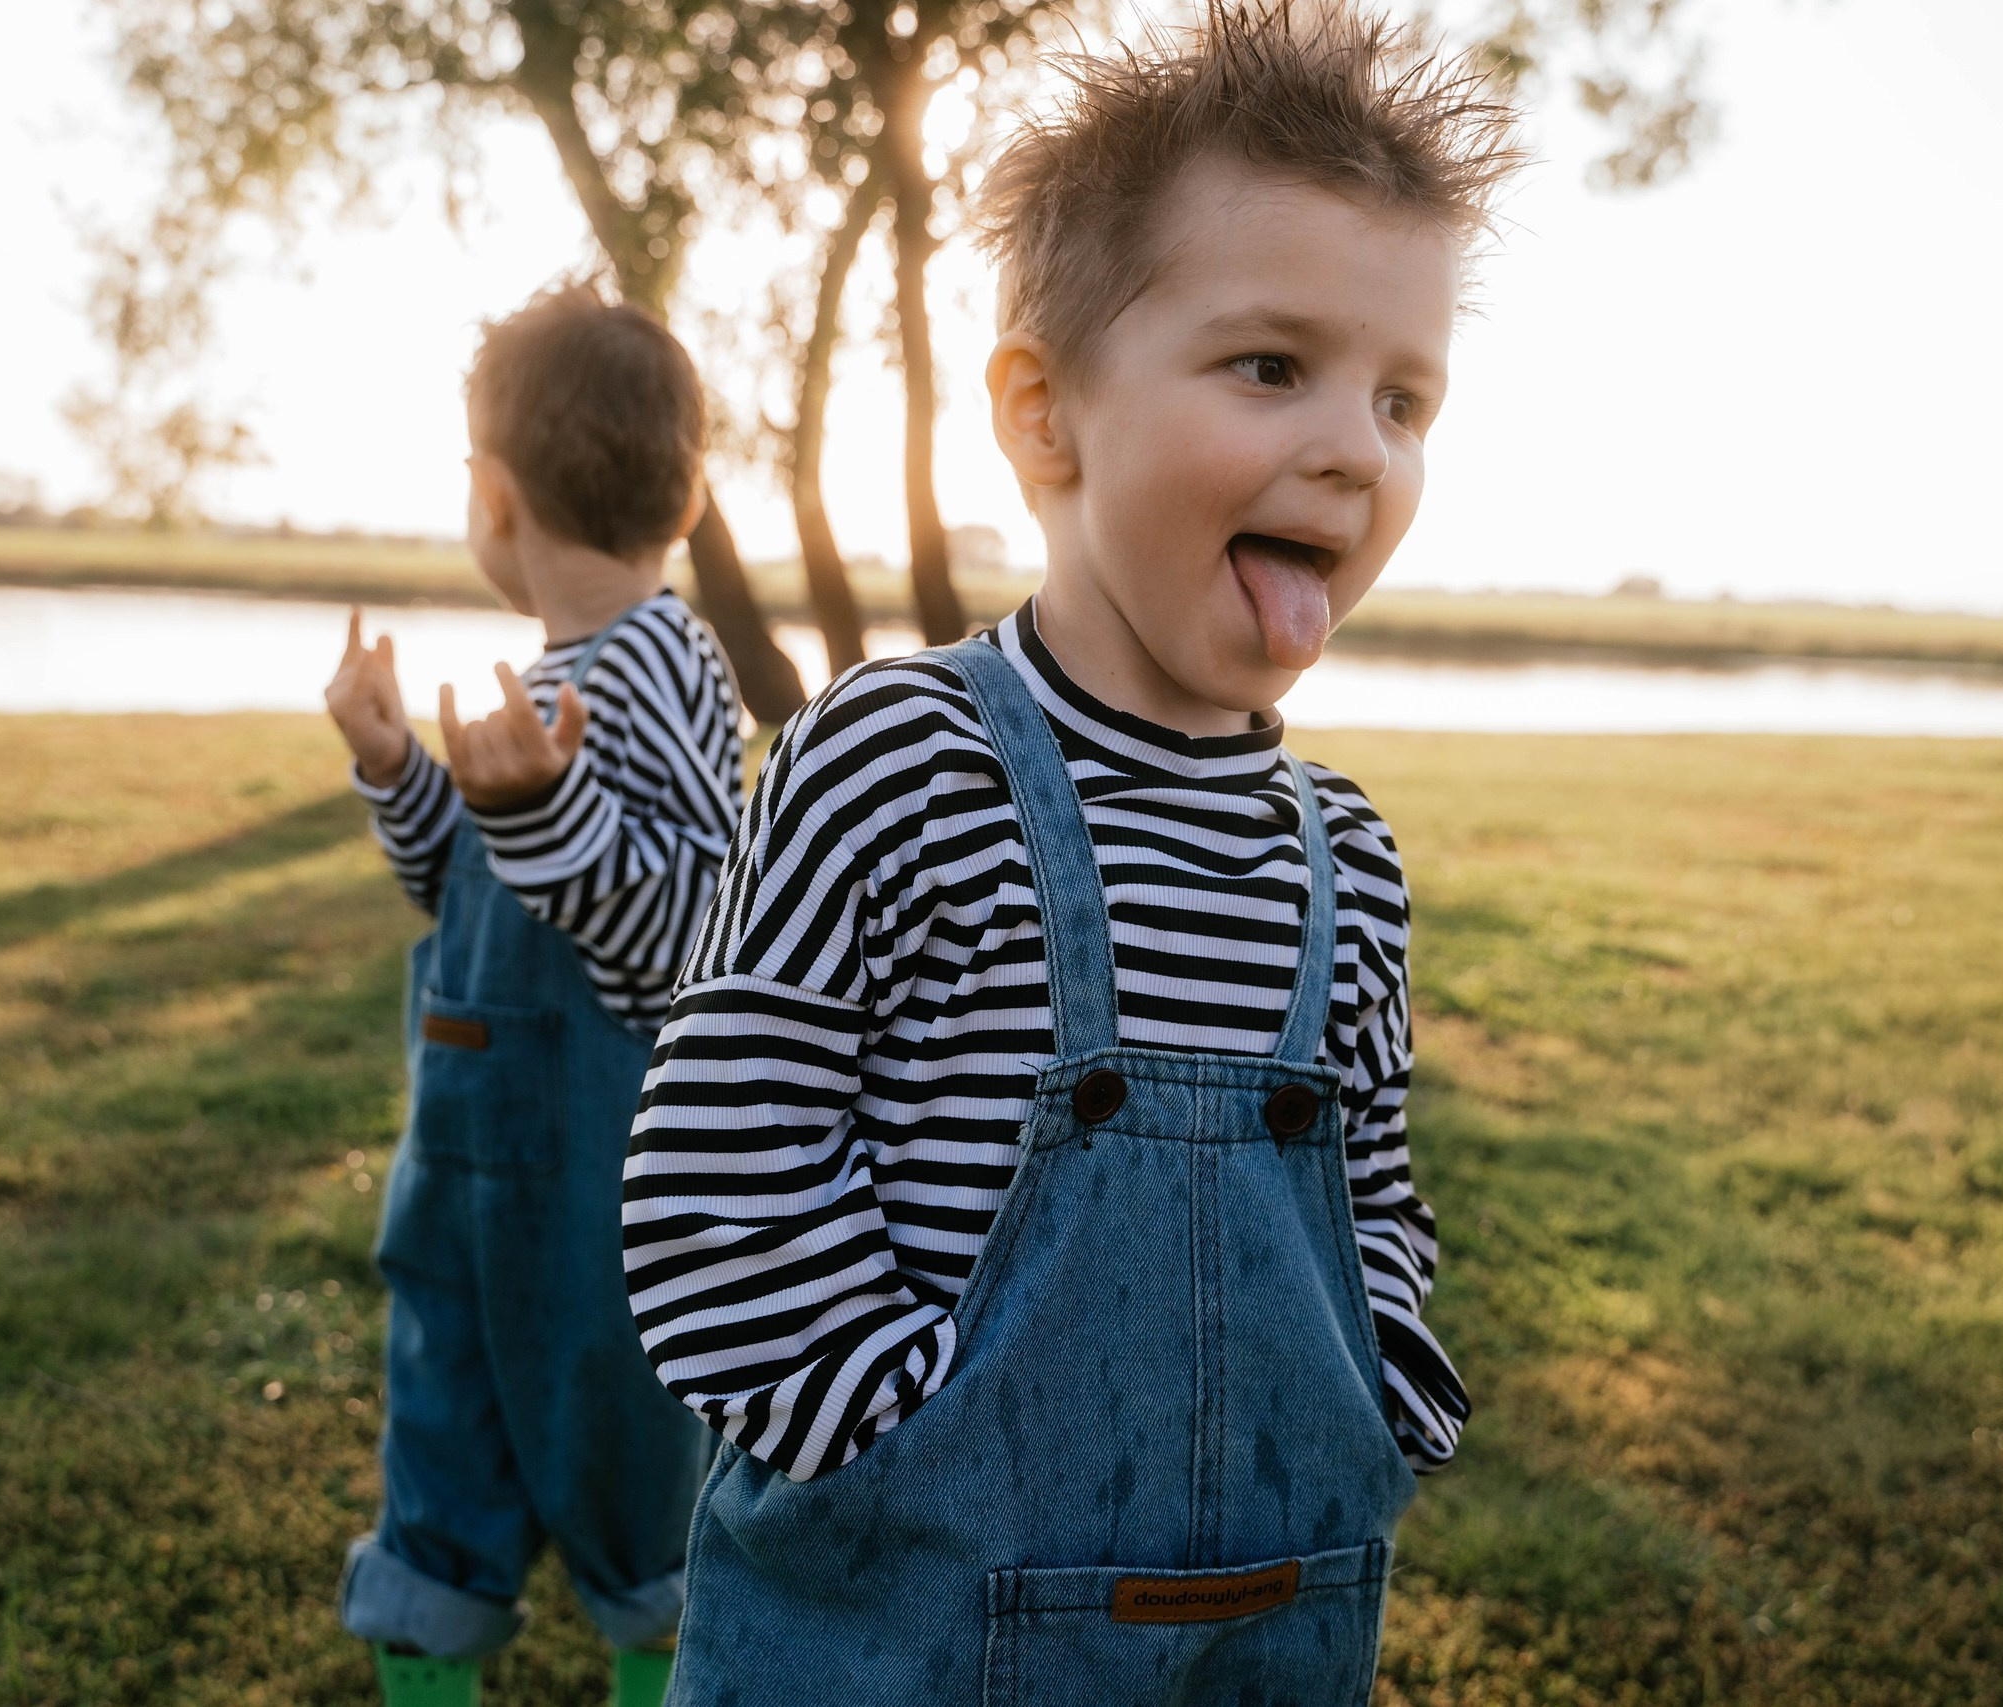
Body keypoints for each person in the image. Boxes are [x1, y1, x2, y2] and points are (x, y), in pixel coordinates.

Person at [622, 7, 1522, 1701]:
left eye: (1405, 400)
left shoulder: (1347, 859)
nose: (1356, 447)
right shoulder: (904, 760)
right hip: (903, 1629)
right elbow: (719, 1179)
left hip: (1261, 1629)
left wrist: (1387, 1386)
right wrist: (902, 1434)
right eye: (1273, 367)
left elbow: (1373, 1196)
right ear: (1045, 417)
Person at [322, 281, 739, 1707]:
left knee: (640, 1501)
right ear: (685, 498)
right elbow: (470, 896)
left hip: (596, 1201)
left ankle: (663, 1668)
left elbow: (692, 922)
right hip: (459, 1185)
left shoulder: (665, 664)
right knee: (439, 1478)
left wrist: (545, 816)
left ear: (490, 498)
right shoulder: (556, 676)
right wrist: (401, 775)